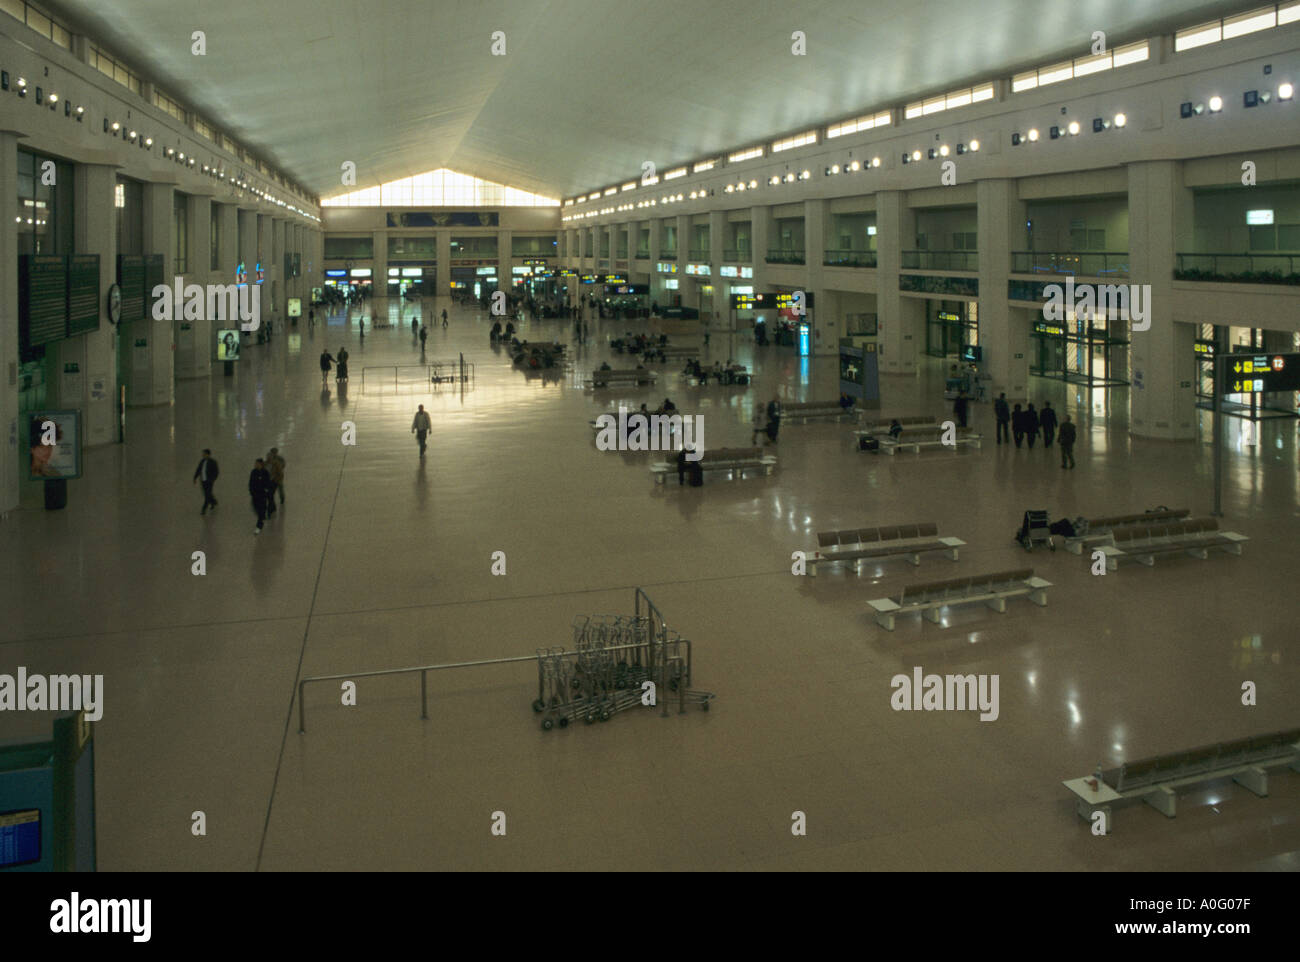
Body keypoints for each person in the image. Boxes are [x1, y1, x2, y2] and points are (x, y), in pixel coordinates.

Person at [249, 458, 273, 534]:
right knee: (256, 507)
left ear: (261, 464)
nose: (255, 465)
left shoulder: (265, 472)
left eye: (257, 463)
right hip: (255, 494)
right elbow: (251, 482)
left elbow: (268, 483)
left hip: (262, 495)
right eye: (255, 463)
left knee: (261, 509)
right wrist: (251, 491)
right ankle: (262, 516)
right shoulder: (253, 472)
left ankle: (259, 525)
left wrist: (266, 491)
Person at [193, 448, 219, 514]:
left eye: (204, 454)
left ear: (208, 454)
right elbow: (199, 469)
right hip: (203, 481)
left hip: (209, 481)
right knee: (207, 494)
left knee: (207, 495)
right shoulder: (202, 461)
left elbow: (216, 472)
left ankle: (204, 509)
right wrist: (195, 477)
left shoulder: (213, 462)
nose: (203, 455)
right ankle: (213, 502)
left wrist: (212, 479)